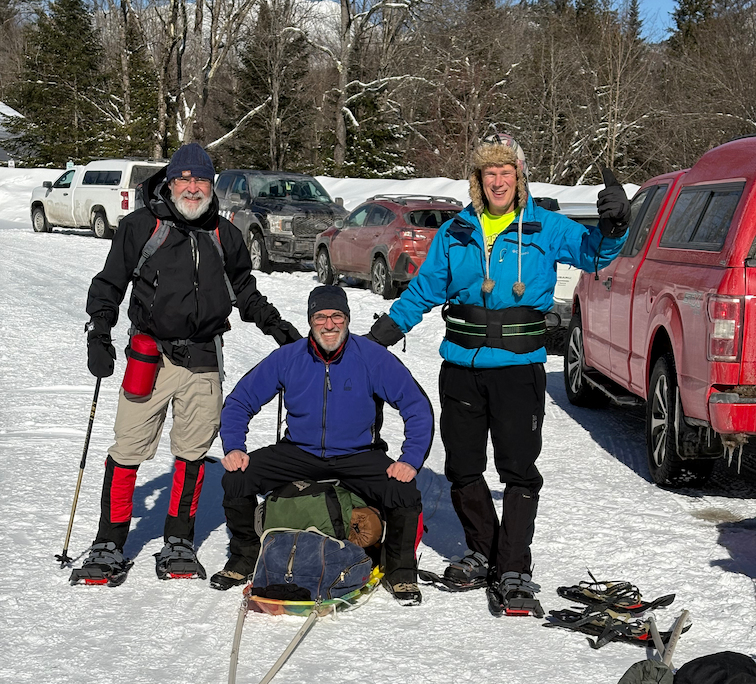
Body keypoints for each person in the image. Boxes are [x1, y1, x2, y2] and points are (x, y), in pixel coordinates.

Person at [366, 132, 630, 614]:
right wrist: (383, 333)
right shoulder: (457, 232)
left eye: (506, 171)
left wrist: (613, 228)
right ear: (478, 179)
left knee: (518, 470)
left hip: (518, 370)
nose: (498, 181)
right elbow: (424, 289)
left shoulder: (545, 227)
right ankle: (483, 550)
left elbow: (593, 256)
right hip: (462, 367)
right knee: (463, 467)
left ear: (519, 176)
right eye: (490, 172)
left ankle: (514, 565)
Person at [71, 142, 301, 585]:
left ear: (211, 187)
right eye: (185, 179)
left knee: (192, 452)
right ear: (170, 182)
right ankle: (109, 542)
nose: (192, 188)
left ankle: (179, 540)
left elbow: (244, 291)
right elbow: (109, 283)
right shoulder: (142, 227)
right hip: (149, 357)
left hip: (203, 358)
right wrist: (99, 332)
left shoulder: (225, 234)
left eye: (201, 180)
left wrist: (277, 328)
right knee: (128, 449)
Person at [212, 285, 433, 606]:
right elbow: (239, 401)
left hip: (357, 455)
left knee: (403, 489)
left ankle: (400, 572)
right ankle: (246, 557)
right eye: (321, 317)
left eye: (336, 316)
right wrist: (234, 447)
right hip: (299, 452)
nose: (329, 325)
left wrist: (410, 460)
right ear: (310, 321)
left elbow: (416, 406)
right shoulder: (288, 357)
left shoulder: (371, 357)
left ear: (347, 319)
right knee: (237, 477)